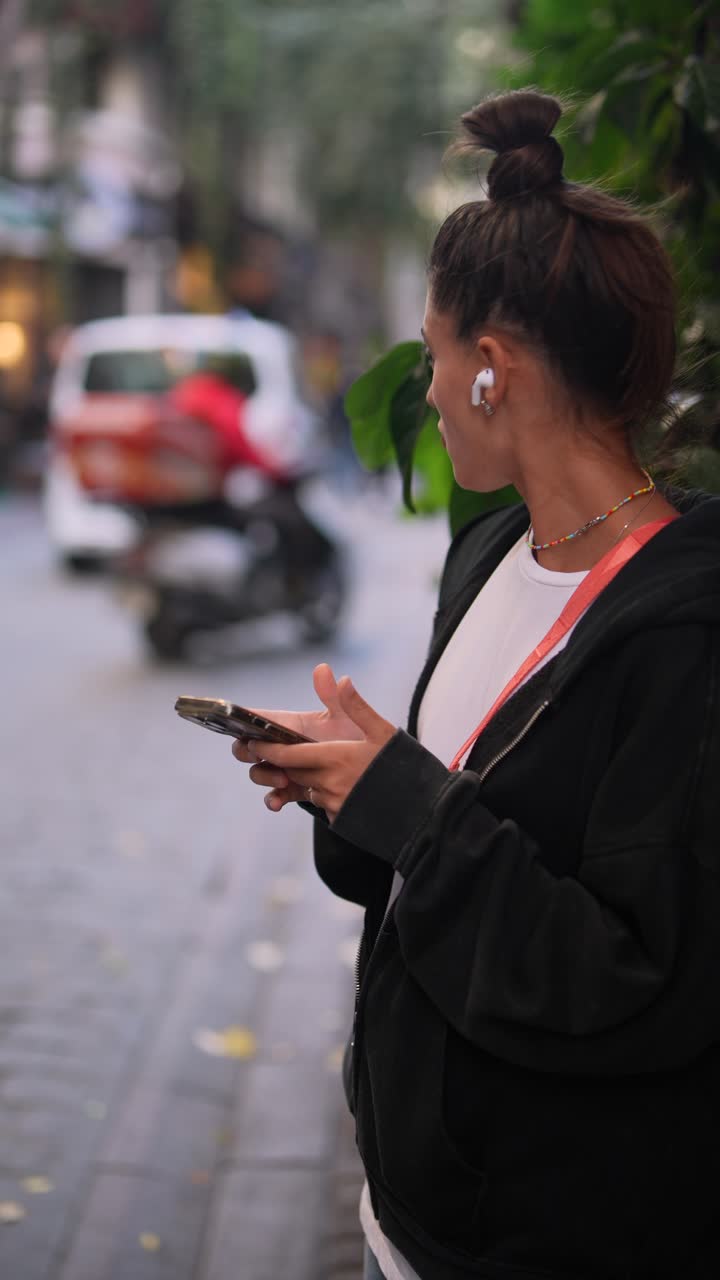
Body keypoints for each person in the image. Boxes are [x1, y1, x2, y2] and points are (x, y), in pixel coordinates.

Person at [231, 89, 720, 1279]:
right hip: (408, 1212)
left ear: (492, 368)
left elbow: (634, 978)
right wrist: (363, 784)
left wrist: (408, 799)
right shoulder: (491, 554)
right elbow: (465, 835)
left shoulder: (687, 633)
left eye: (440, 355)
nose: (434, 390)